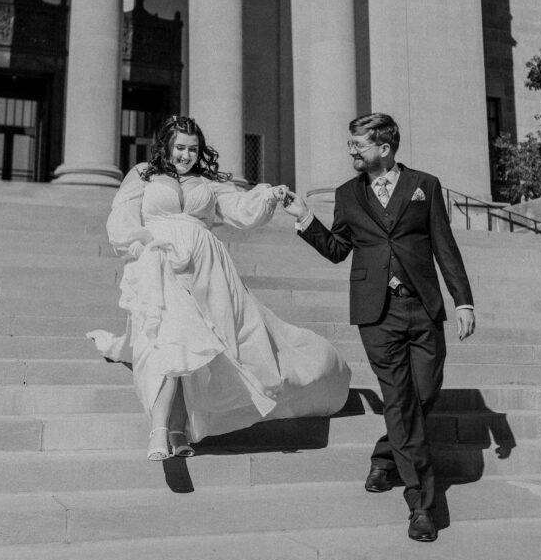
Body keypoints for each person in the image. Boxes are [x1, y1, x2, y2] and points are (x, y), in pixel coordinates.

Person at [88, 115, 351, 461]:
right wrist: (142, 249)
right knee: (173, 339)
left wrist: (268, 195)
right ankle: (160, 429)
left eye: (193, 149)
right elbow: (122, 219)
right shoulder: (143, 175)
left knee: (191, 346)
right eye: (180, 147)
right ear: (166, 146)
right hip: (160, 263)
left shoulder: (208, 183)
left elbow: (241, 210)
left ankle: (179, 430)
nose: (186, 155)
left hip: (207, 273)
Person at [282, 112, 475, 542]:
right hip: (377, 313)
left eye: (359, 145)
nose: (351, 151)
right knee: (399, 400)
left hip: (423, 307)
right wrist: (304, 217)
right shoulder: (347, 195)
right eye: (351, 144)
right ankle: (422, 505)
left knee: (422, 395)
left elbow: (445, 245)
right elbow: (336, 250)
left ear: (384, 148)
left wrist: (462, 300)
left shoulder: (425, 185)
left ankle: (385, 455)